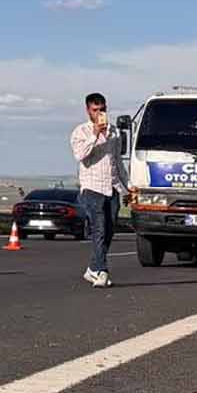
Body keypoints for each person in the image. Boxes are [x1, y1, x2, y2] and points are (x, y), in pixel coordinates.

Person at [69, 92, 125, 288]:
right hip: (92, 188)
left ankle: (92, 268)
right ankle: (102, 270)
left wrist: (128, 185)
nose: (99, 113)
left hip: (112, 186)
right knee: (99, 229)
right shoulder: (80, 132)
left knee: (109, 231)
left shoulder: (115, 132)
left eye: (102, 109)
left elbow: (117, 161)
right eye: (95, 110)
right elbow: (80, 156)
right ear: (88, 110)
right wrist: (95, 134)